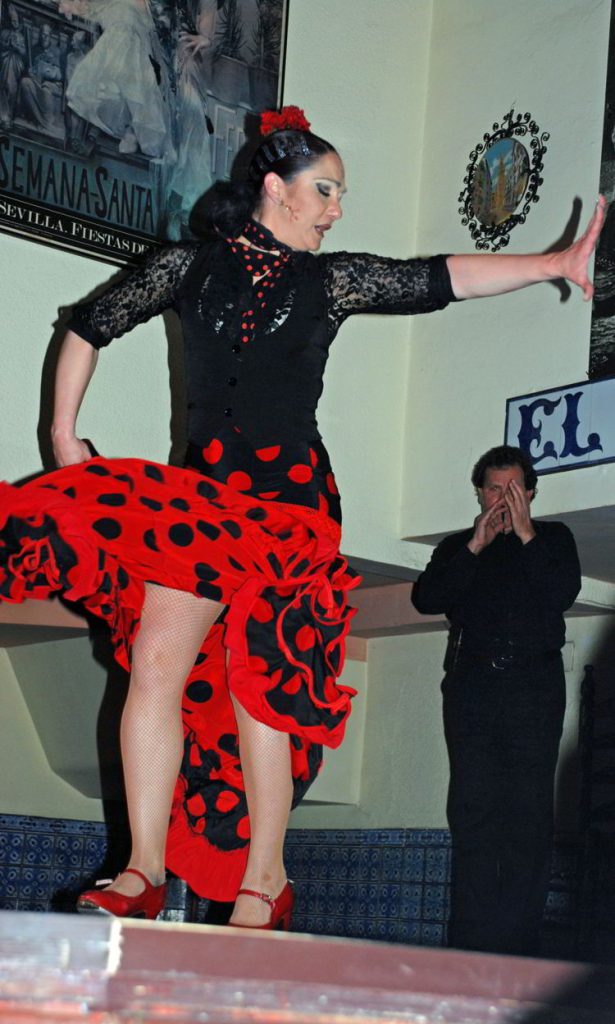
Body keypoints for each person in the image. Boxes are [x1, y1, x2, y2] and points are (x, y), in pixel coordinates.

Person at [0, 105, 604, 931]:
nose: (336, 208)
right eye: (325, 191)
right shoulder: (186, 267)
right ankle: (140, 867)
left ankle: (265, 879)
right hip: (204, 503)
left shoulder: (330, 279)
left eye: (339, 195)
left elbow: (438, 277)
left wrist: (549, 264)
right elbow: (87, 325)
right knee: (154, 669)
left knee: (261, 687)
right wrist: (62, 434)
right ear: (274, 189)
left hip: (289, 508)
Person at [411, 445, 582, 956]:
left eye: (513, 489)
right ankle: (470, 947)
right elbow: (427, 598)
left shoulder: (553, 538)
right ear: (479, 494)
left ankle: (519, 948)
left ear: (529, 493)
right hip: (472, 691)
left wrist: (526, 534)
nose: (503, 498)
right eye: (493, 488)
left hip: (534, 689)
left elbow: (562, 592)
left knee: (529, 815)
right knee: (473, 811)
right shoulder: (457, 546)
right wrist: (475, 546)